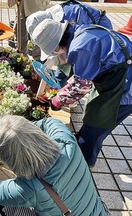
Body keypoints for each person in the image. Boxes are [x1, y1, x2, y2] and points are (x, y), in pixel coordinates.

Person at [30, 18, 132, 167]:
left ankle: (85, 163)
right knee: (93, 115)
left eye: (52, 49)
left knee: (96, 124)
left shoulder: (81, 47)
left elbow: (80, 86)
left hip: (126, 86)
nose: (53, 53)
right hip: (116, 78)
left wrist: (57, 101)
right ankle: (83, 146)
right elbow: (81, 75)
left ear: (58, 42)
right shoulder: (79, 31)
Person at [0, 115, 107, 215]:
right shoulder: (67, 143)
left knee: (7, 210)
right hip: (98, 211)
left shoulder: (30, 187)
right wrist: (22, 132)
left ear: (8, 159)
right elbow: (50, 122)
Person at [26, 0, 113, 87]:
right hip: (80, 41)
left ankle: (62, 88)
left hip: (101, 36)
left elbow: (78, 49)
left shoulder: (72, 17)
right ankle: (59, 87)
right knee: (63, 67)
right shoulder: (52, 22)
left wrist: (58, 59)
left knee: (80, 73)